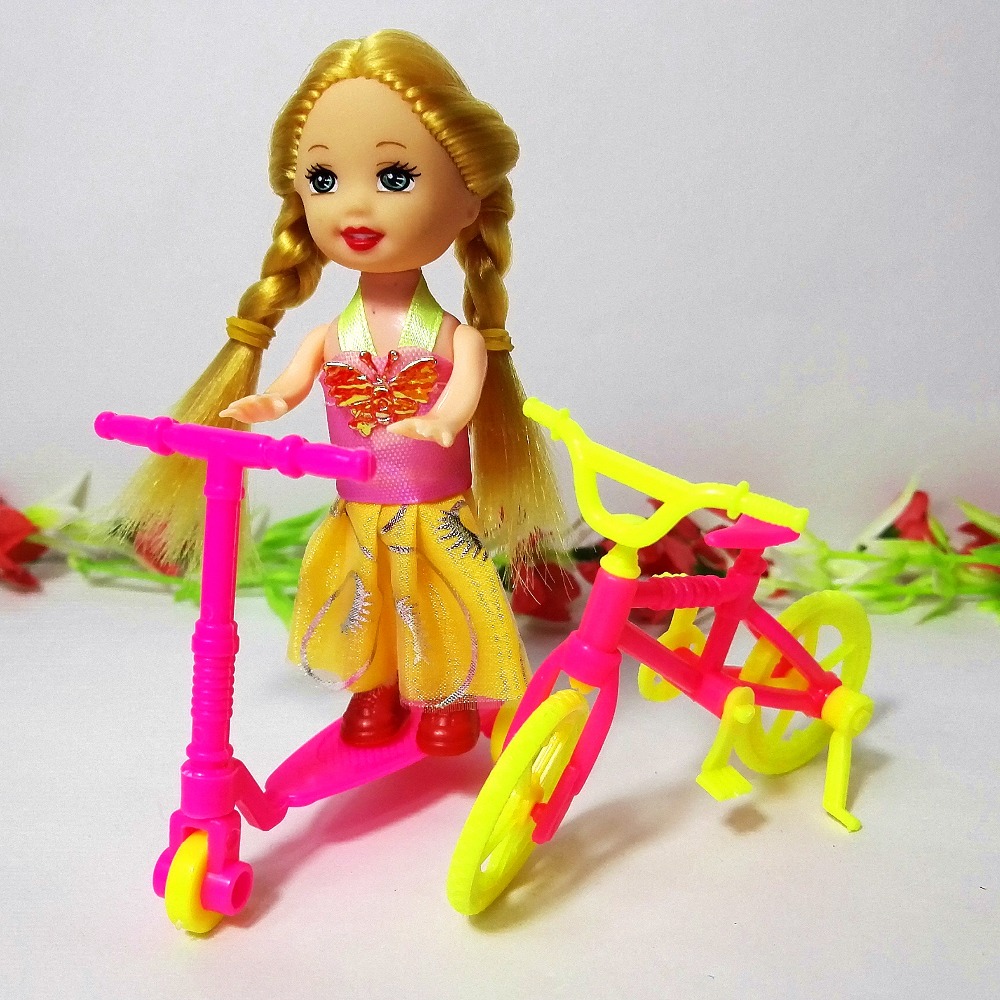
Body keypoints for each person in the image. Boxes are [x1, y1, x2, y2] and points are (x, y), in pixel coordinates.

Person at [115, 30, 564, 756]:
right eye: (323, 180)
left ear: (469, 203)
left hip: (431, 512)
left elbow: (462, 400)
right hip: (357, 510)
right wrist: (266, 405)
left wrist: (444, 421)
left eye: (394, 177)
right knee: (361, 600)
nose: (353, 206)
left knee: (441, 602)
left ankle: (448, 695)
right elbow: (290, 389)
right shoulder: (330, 335)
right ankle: (373, 686)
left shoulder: (456, 338)